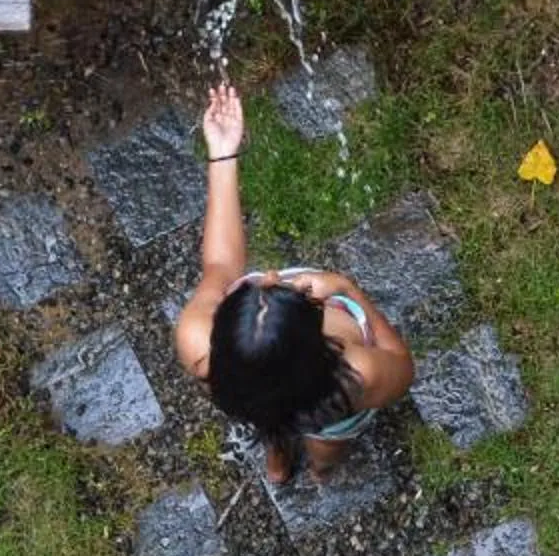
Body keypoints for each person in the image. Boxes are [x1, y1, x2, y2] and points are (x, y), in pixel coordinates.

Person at [173, 81, 415, 483]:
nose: (269, 274)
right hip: (323, 417)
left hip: (254, 404)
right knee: (326, 444)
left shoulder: (196, 341)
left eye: (259, 285)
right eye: (282, 288)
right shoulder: (354, 374)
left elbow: (219, 262)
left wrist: (222, 154)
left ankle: (278, 465)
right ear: (314, 337)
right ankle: (321, 472)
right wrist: (345, 287)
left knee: (270, 421)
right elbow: (404, 370)